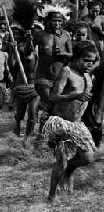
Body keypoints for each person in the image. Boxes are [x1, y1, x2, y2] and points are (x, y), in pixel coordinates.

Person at [44, 41, 98, 201]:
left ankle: (69, 172)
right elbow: (53, 96)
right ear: (77, 57)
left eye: (92, 61)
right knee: (61, 161)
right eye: (86, 60)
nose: (89, 64)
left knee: (88, 157)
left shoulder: (88, 76)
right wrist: (75, 96)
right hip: (60, 123)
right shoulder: (67, 71)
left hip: (77, 124)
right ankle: (51, 195)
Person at [33, 6, 72, 146]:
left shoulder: (66, 35)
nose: (57, 23)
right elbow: (26, 49)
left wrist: (63, 54)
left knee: (55, 109)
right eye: (54, 21)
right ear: (47, 21)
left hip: (60, 79)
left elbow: (71, 55)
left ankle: (52, 137)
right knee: (49, 104)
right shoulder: (40, 35)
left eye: (59, 21)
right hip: (43, 78)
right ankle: (40, 137)